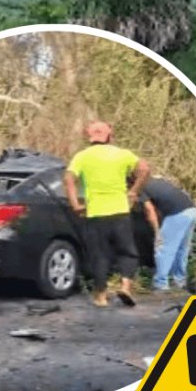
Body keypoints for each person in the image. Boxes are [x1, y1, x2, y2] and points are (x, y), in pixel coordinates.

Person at [63, 120, 149, 307]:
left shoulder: (82, 157)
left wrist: (75, 204)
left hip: (96, 214)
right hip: (120, 211)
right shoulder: (122, 154)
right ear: (109, 135)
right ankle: (125, 286)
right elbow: (144, 169)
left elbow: (68, 179)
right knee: (127, 252)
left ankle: (101, 296)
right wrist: (134, 190)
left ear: (89, 137)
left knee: (100, 255)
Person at [138, 176, 196, 293]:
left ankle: (160, 284)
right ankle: (179, 281)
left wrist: (157, 233)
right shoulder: (157, 180)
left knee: (162, 248)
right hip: (192, 211)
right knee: (182, 249)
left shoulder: (140, 188)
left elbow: (150, 211)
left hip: (177, 214)